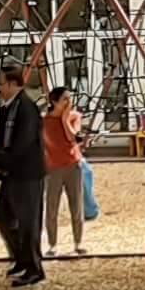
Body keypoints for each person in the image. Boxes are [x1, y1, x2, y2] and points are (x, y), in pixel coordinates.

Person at [0, 61, 48, 287]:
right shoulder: (8, 107)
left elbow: (22, 143)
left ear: (14, 84)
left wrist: (0, 163)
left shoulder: (26, 108)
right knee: (3, 214)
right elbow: (2, 139)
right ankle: (21, 258)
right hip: (11, 172)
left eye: (0, 84)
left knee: (28, 221)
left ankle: (34, 268)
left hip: (27, 174)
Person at [43, 83, 89, 257]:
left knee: (76, 205)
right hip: (53, 167)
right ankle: (52, 244)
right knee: (52, 206)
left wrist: (64, 118)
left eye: (70, 98)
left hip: (72, 165)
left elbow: (72, 139)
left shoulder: (74, 117)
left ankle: (78, 242)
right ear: (54, 102)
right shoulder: (44, 121)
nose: (69, 102)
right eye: (65, 99)